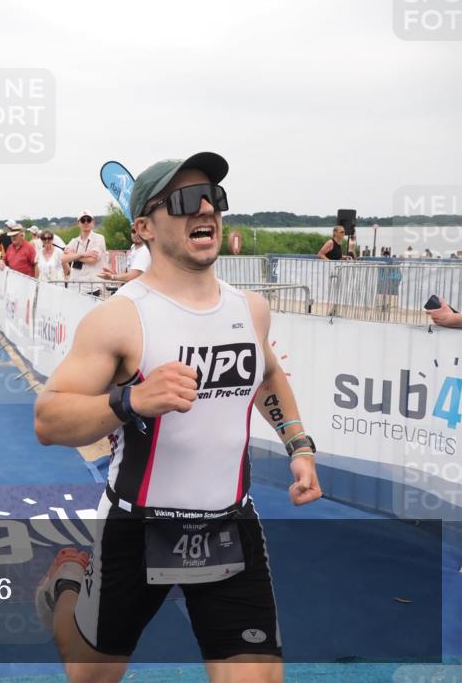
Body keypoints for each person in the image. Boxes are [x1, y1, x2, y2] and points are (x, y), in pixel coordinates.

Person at [33, 151, 320, 683]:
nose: (206, 208)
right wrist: (131, 401)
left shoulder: (250, 309)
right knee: (90, 676)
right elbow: (49, 420)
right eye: (186, 200)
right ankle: (67, 586)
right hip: (136, 527)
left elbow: (268, 373)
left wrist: (299, 446)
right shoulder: (120, 317)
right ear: (143, 227)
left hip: (230, 523)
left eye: (215, 198)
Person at [62, 209, 107, 295]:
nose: (86, 223)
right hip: (74, 287)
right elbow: (63, 258)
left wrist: (73, 255)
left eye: (88, 220)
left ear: (93, 222)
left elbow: (92, 260)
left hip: (92, 288)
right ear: (78, 223)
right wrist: (83, 254)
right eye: (83, 220)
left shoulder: (99, 238)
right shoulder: (74, 241)